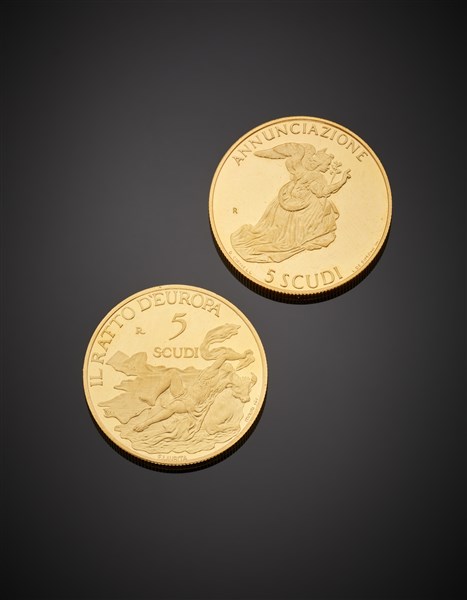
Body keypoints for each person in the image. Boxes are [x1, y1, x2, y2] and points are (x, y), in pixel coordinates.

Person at [231, 143, 351, 263]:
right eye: (327, 164)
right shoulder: (316, 176)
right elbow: (321, 192)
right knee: (325, 208)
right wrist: (341, 181)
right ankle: (305, 234)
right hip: (302, 205)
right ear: (320, 164)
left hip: (290, 201)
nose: (328, 167)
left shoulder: (305, 173)